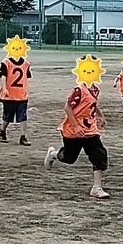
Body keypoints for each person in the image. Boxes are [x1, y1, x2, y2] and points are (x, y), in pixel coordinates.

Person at [44, 67, 110, 199]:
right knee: (69, 158)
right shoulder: (78, 90)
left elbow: (93, 104)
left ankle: (96, 187)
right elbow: (67, 108)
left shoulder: (95, 89)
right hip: (73, 131)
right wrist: (75, 126)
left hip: (90, 130)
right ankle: (53, 154)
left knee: (99, 155)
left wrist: (101, 116)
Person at [0, 55, 32, 146]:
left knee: (23, 116)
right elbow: (3, 76)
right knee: (8, 117)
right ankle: (2, 130)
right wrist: (4, 88)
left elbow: (26, 77)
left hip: (21, 96)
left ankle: (23, 136)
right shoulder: (6, 62)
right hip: (9, 96)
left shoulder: (26, 63)